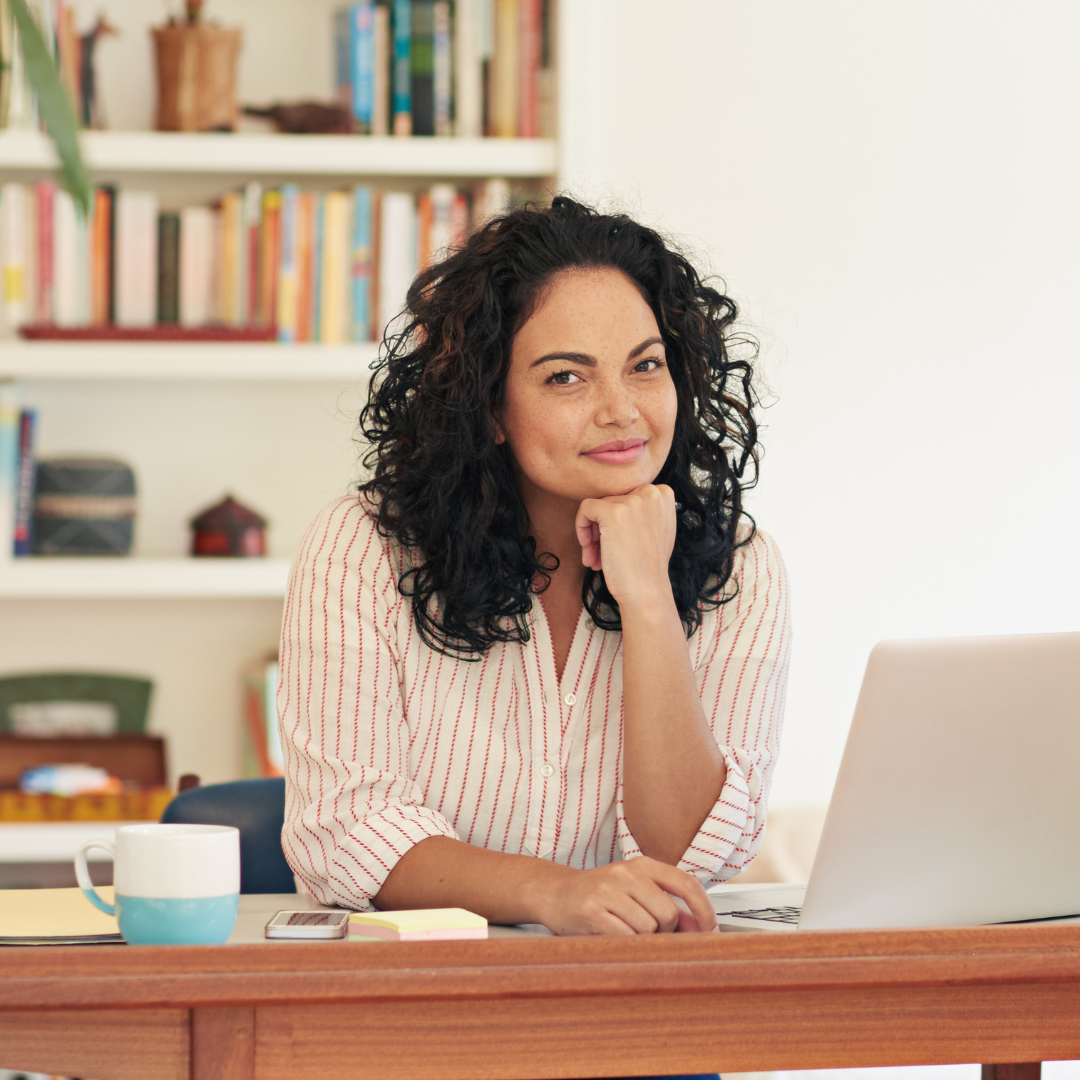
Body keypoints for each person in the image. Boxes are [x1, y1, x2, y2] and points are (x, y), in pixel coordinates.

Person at [279, 197, 791, 939]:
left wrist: (649, 602)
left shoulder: (739, 569)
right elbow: (346, 832)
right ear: (488, 405)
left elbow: (687, 854)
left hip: (634, 1008)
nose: (622, 412)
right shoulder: (363, 545)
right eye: (565, 378)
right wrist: (554, 893)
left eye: (645, 366)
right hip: (410, 1010)